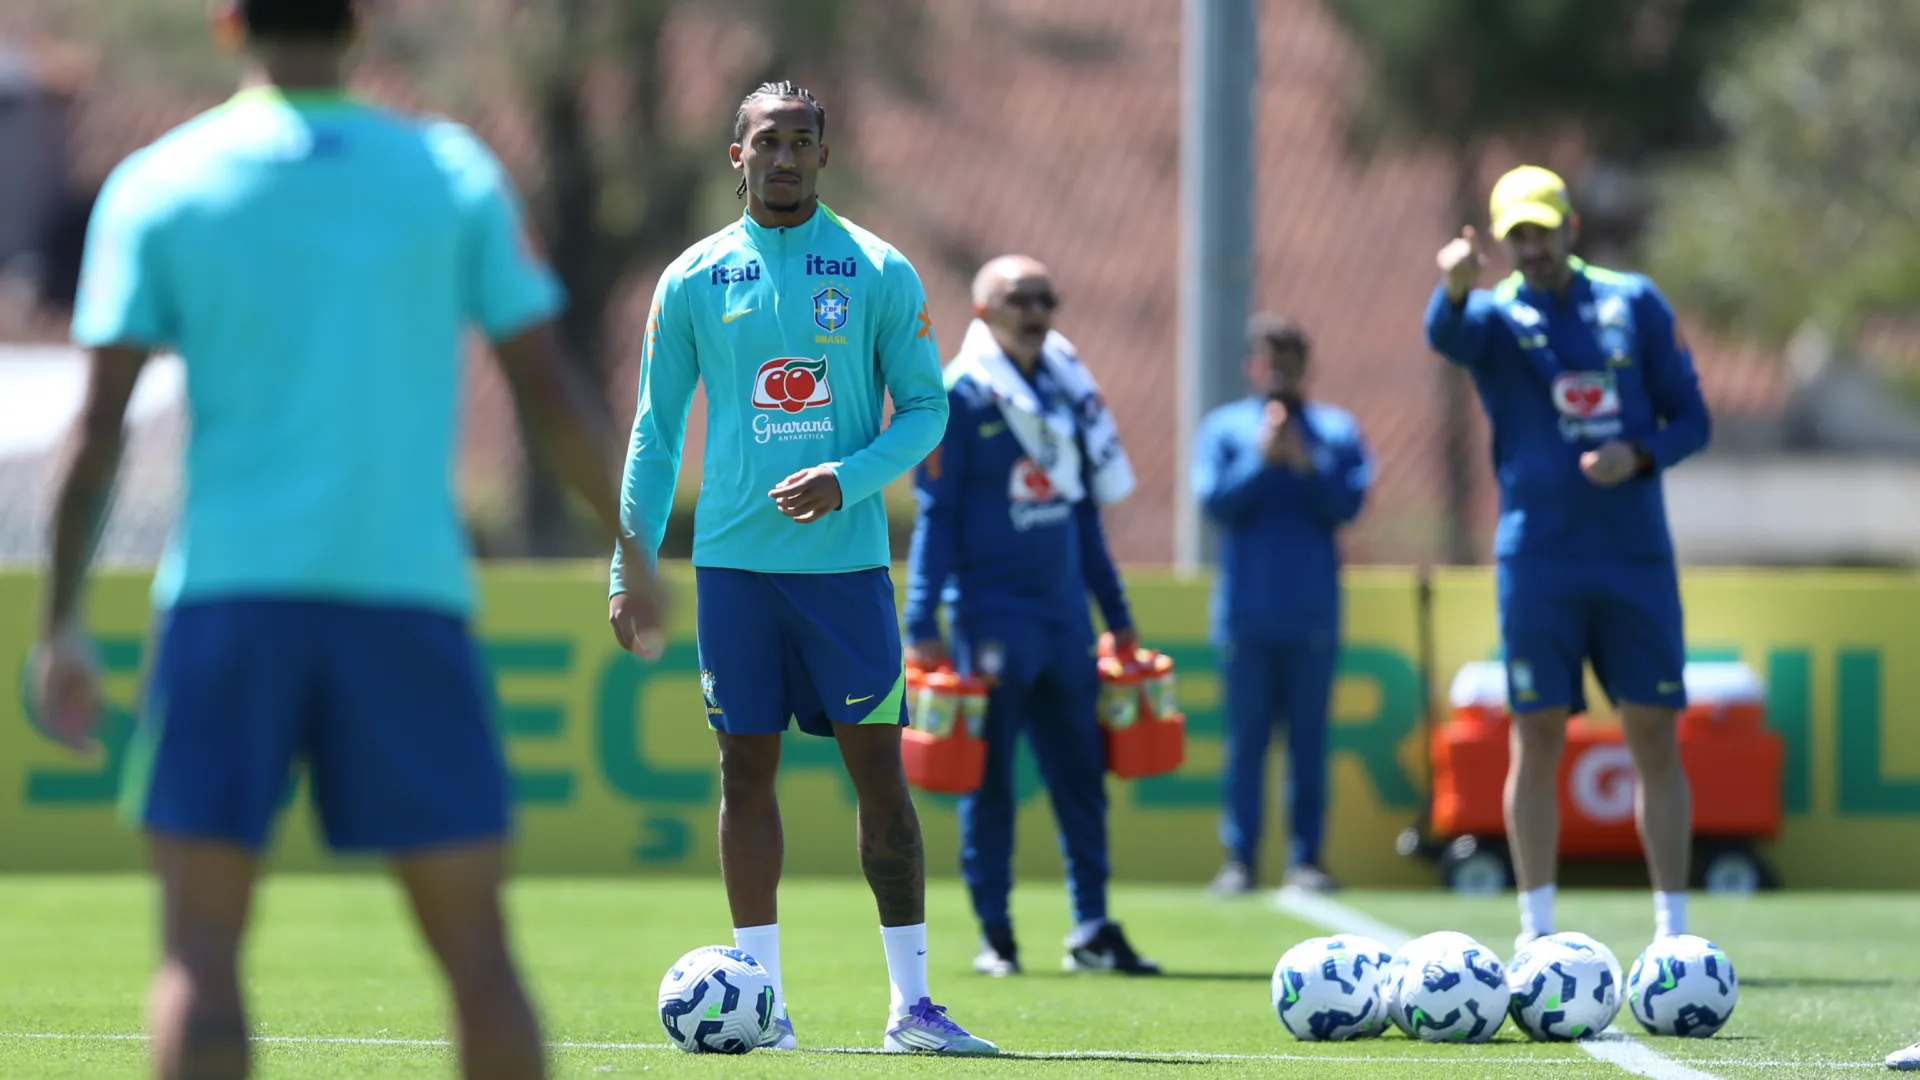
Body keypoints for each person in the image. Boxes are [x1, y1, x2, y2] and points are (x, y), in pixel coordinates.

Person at [27, 2, 668, 1079]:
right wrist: (630, 551)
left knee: (199, 950)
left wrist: (63, 623)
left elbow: (96, 432)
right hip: (405, 599)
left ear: (230, 24)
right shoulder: (448, 174)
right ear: (359, 24)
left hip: (229, 600)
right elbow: (551, 391)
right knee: (477, 953)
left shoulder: (161, 183)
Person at [606, 81, 996, 1056]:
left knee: (881, 778)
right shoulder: (693, 279)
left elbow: (927, 409)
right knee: (744, 772)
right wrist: (630, 561)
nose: (784, 157)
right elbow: (656, 431)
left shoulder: (876, 269)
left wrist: (846, 480)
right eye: (767, 141)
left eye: (801, 141)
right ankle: (764, 1004)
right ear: (736, 155)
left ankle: (913, 1008)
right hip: (735, 571)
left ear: (825, 153)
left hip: (845, 572)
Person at [1423, 165, 1711, 949]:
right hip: (1538, 560)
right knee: (1537, 733)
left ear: (1570, 227)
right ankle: (1536, 931)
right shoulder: (1493, 316)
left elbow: (1692, 419)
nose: (1533, 247)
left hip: (1632, 556)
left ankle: (1673, 934)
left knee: (1653, 731)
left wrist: (1638, 455)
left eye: (1543, 230)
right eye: (1518, 234)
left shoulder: (1632, 302)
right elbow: (1446, 336)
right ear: (1502, 240)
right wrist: (1453, 287)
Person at [903, 254, 1162, 978]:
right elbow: (936, 516)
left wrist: (1116, 613)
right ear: (983, 311)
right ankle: (997, 935)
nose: (1037, 311)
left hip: (1064, 620)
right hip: (990, 619)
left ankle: (1093, 927)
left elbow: (1083, 515)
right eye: (1020, 298)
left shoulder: (1065, 390)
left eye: (1047, 298)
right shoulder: (958, 395)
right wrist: (920, 619)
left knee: (1082, 775)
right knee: (987, 782)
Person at [1193, 314, 1372, 897]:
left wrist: (1305, 464)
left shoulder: (1336, 431)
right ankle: (1239, 859)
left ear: (1306, 366)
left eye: (1290, 362)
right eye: (1271, 362)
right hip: (1246, 615)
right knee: (1245, 744)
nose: (1280, 374)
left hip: (1311, 615)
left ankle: (1306, 859)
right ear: (1253, 366)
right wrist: (1259, 461)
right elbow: (1214, 503)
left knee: (1308, 744)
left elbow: (1349, 505)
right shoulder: (1226, 429)